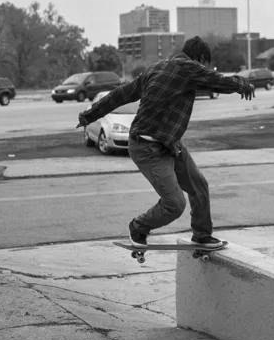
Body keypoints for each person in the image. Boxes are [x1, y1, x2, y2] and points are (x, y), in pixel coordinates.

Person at [76, 36, 255, 249]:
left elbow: (120, 94)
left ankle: (202, 235)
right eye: (204, 64)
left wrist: (89, 115)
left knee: (199, 186)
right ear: (199, 59)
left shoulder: (156, 68)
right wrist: (242, 83)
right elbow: (219, 80)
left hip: (169, 144)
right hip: (148, 148)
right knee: (175, 204)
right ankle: (138, 227)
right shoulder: (190, 67)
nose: (204, 69)